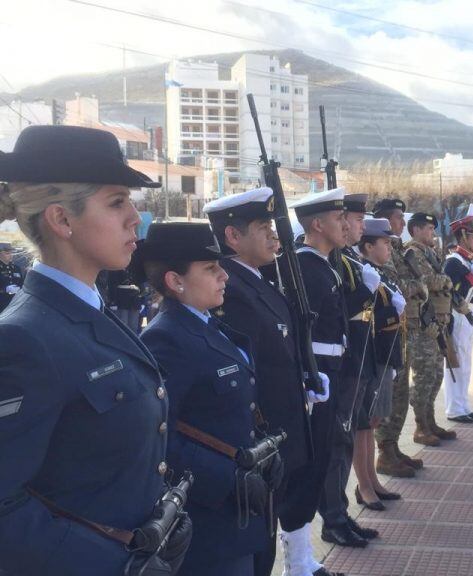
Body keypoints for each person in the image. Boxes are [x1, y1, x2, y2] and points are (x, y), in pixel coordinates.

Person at [0, 125, 192, 575]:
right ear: (62, 220)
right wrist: (114, 564)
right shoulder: (24, 338)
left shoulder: (88, 312)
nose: (134, 218)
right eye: (116, 202)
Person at [135, 222, 278, 576]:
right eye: (211, 269)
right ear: (175, 281)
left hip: (243, 512)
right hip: (210, 520)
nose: (224, 276)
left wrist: (262, 452)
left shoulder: (207, 325)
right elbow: (159, 434)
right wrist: (226, 478)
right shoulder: (166, 339)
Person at [202, 188, 321, 576]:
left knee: (269, 530)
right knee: (258, 544)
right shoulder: (230, 289)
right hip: (263, 436)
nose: (274, 235)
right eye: (263, 227)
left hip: (283, 430)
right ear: (233, 237)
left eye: (272, 225)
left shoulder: (257, 279)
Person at [286, 188, 358, 563]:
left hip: (332, 367)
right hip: (317, 375)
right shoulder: (305, 266)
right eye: (338, 218)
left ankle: (303, 555)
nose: (345, 225)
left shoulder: (324, 263)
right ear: (317, 224)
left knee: (325, 456)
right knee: (311, 464)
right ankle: (299, 555)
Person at [319, 192, 380, 548]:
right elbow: (334, 312)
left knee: (344, 442)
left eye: (352, 219)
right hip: (336, 365)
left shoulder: (342, 261)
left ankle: (339, 512)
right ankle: (333, 517)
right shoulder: (317, 263)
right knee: (335, 445)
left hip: (354, 359)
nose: (350, 226)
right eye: (346, 220)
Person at [354, 218, 405, 511]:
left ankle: (372, 479)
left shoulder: (381, 273)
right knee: (363, 423)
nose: (388, 247)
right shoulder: (363, 273)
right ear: (368, 246)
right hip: (369, 356)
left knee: (371, 423)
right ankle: (363, 485)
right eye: (384, 243)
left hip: (385, 354)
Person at [372, 198, 424, 478]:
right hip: (390, 328)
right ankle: (385, 452)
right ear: (384, 220)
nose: (403, 223)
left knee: (401, 392)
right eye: (398, 218)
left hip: (405, 328)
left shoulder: (399, 249)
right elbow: (392, 286)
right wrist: (417, 286)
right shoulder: (382, 248)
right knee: (391, 392)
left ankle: (392, 448)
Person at [402, 212, 456, 446]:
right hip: (424, 323)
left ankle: (430, 421)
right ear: (415, 230)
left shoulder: (430, 252)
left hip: (438, 321)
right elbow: (425, 282)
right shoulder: (412, 252)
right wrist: (444, 281)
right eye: (428, 228)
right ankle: (421, 426)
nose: (432, 232)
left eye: (433, 228)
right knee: (424, 376)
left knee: (436, 375)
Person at [442, 215, 473, 423]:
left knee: (466, 362)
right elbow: (450, 292)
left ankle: (463, 404)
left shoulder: (468, 261)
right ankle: (454, 408)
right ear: (464, 237)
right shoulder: (453, 262)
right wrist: (470, 278)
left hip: (469, 313)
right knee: (456, 362)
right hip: (458, 315)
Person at [0, 242, 23, 313]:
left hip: (14, 305)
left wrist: (20, 289)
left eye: (11, 253)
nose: (11, 255)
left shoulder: (16, 268)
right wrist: (4, 290)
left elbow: (22, 283)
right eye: (7, 253)